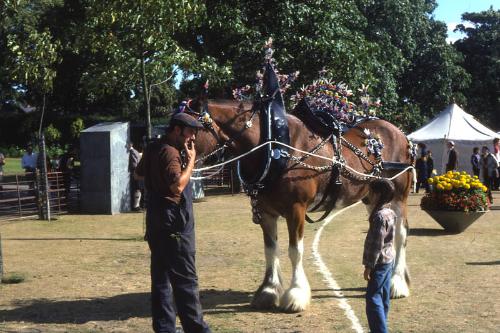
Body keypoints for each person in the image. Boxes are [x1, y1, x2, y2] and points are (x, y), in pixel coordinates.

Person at [134, 112, 211, 333]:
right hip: (174, 222)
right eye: (190, 132)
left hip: (156, 219)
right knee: (185, 280)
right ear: (176, 130)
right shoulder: (170, 152)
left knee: (161, 280)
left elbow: (138, 175)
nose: (192, 138)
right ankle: (197, 329)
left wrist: (157, 178)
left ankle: (165, 329)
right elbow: (177, 186)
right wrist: (191, 162)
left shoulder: (153, 147)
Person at [362, 178, 396, 333]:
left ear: (378, 194)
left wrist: (368, 266)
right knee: (383, 296)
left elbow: (376, 244)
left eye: (371, 192)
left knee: (372, 298)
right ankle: (381, 325)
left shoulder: (379, 217)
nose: (369, 195)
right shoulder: (390, 212)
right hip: (389, 259)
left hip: (380, 263)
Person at [128, 142, 143, 211]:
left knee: (137, 189)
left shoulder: (133, 151)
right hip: (135, 173)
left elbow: (134, 164)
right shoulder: (135, 151)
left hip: (134, 173)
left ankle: (136, 206)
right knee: (137, 189)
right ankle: (136, 206)